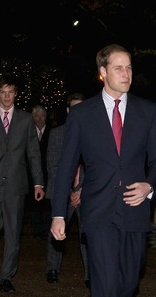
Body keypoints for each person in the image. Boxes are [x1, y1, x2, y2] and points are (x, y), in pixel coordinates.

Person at [50, 44, 156, 297]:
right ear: (102, 72)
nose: (126, 74)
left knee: (128, 283)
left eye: (129, 67)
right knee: (103, 285)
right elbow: (65, 167)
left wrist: (149, 185)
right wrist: (59, 213)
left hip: (135, 209)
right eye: (118, 68)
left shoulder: (148, 112)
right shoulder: (82, 115)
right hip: (98, 212)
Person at [0, 74, 45, 293]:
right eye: (3, 92)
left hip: (17, 187)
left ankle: (7, 276)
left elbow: (33, 154)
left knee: (13, 233)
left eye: (11, 92)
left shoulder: (26, 119)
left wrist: (39, 183)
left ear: (16, 94)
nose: (7, 96)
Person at [45, 92, 89, 286]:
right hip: (62, 193)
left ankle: (90, 274)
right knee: (56, 232)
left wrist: (81, 189)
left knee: (87, 233)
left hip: (86, 193)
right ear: (68, 110)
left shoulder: (93, 134)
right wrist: (70, 191)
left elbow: (95, 167)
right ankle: (52, 269)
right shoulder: (57, 133)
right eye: (75, 108)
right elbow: (53, 166)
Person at [29, 104, 51, 239]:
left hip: (49, 173)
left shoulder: (52, 132)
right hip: (33, 174)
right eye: (36, 116)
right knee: (34, 203)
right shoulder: (29, 132)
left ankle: (48, 228)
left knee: (48, 203)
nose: (39, 118)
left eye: (42, 115)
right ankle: (37, 229)